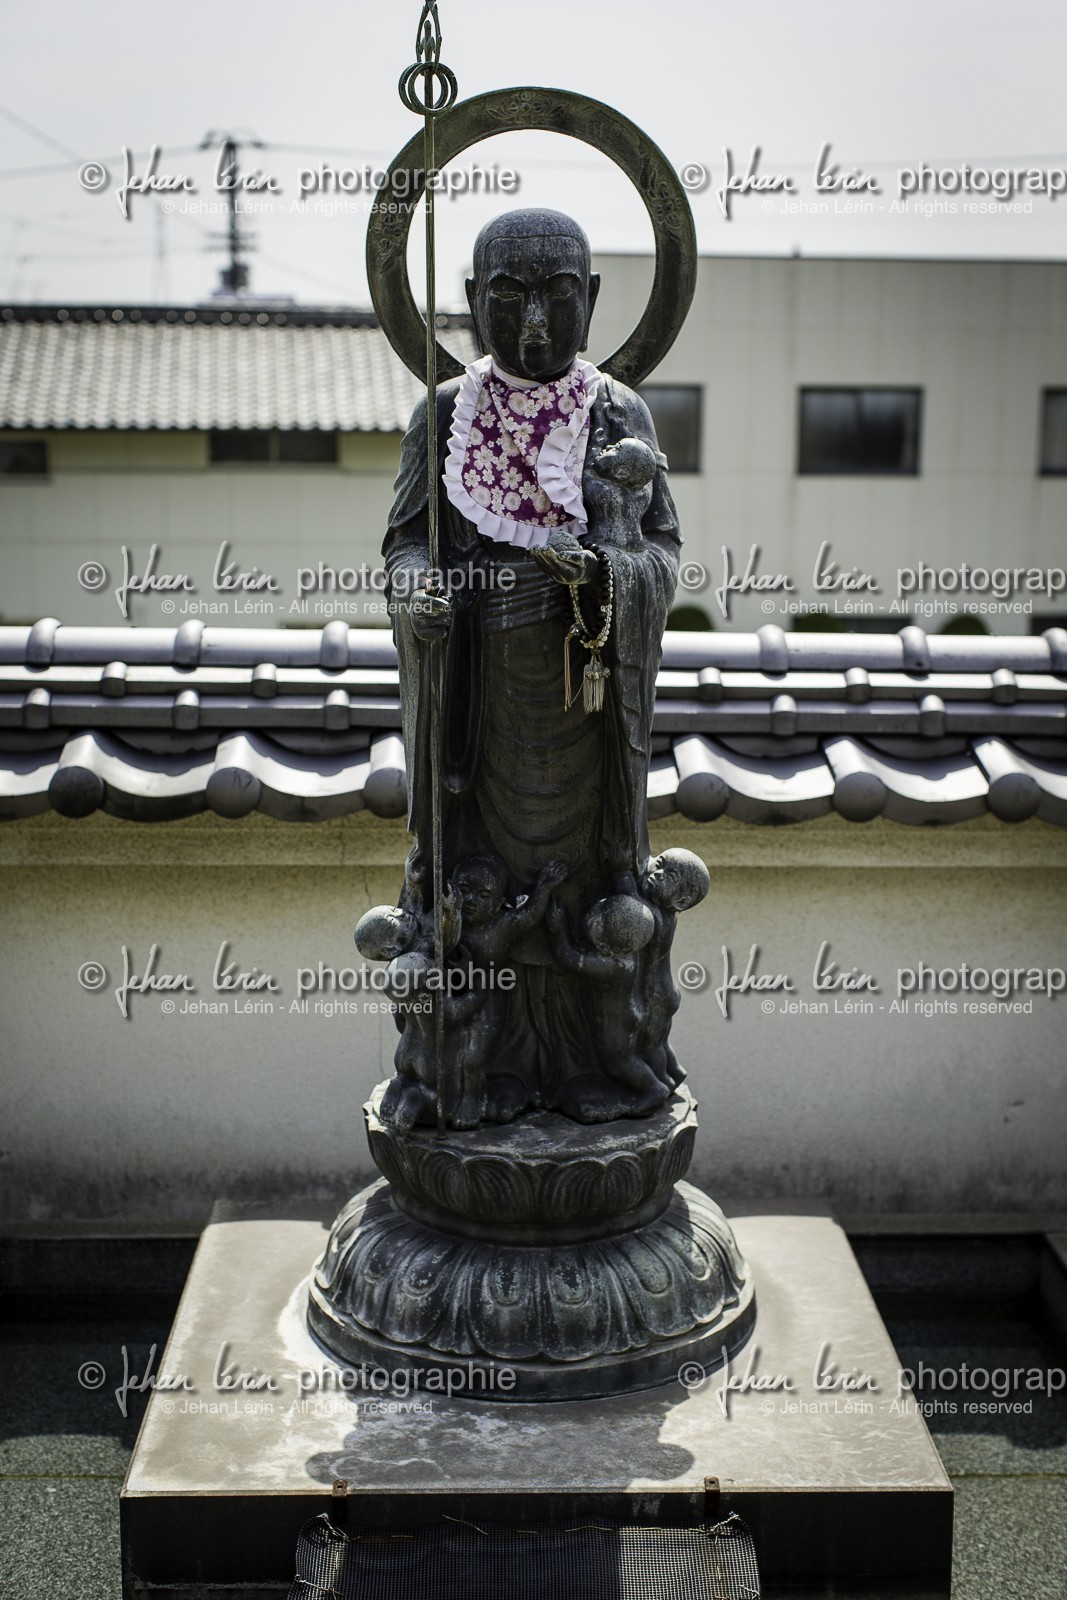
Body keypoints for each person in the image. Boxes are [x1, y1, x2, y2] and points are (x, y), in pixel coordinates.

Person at [383, 207, 681, 1121]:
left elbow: (663, 554)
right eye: (508, 301)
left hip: (589, 703)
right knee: (481, 886)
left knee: (590, 885)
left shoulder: (615, 415)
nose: (537, 326)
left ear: (592, 299)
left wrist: (602, 570)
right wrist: (418, 592)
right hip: (478, 706)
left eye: (559, 298)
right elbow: (403, 545)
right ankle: (484, 1071)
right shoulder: (445, 416)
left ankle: (601, 1066)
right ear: (470, 303)